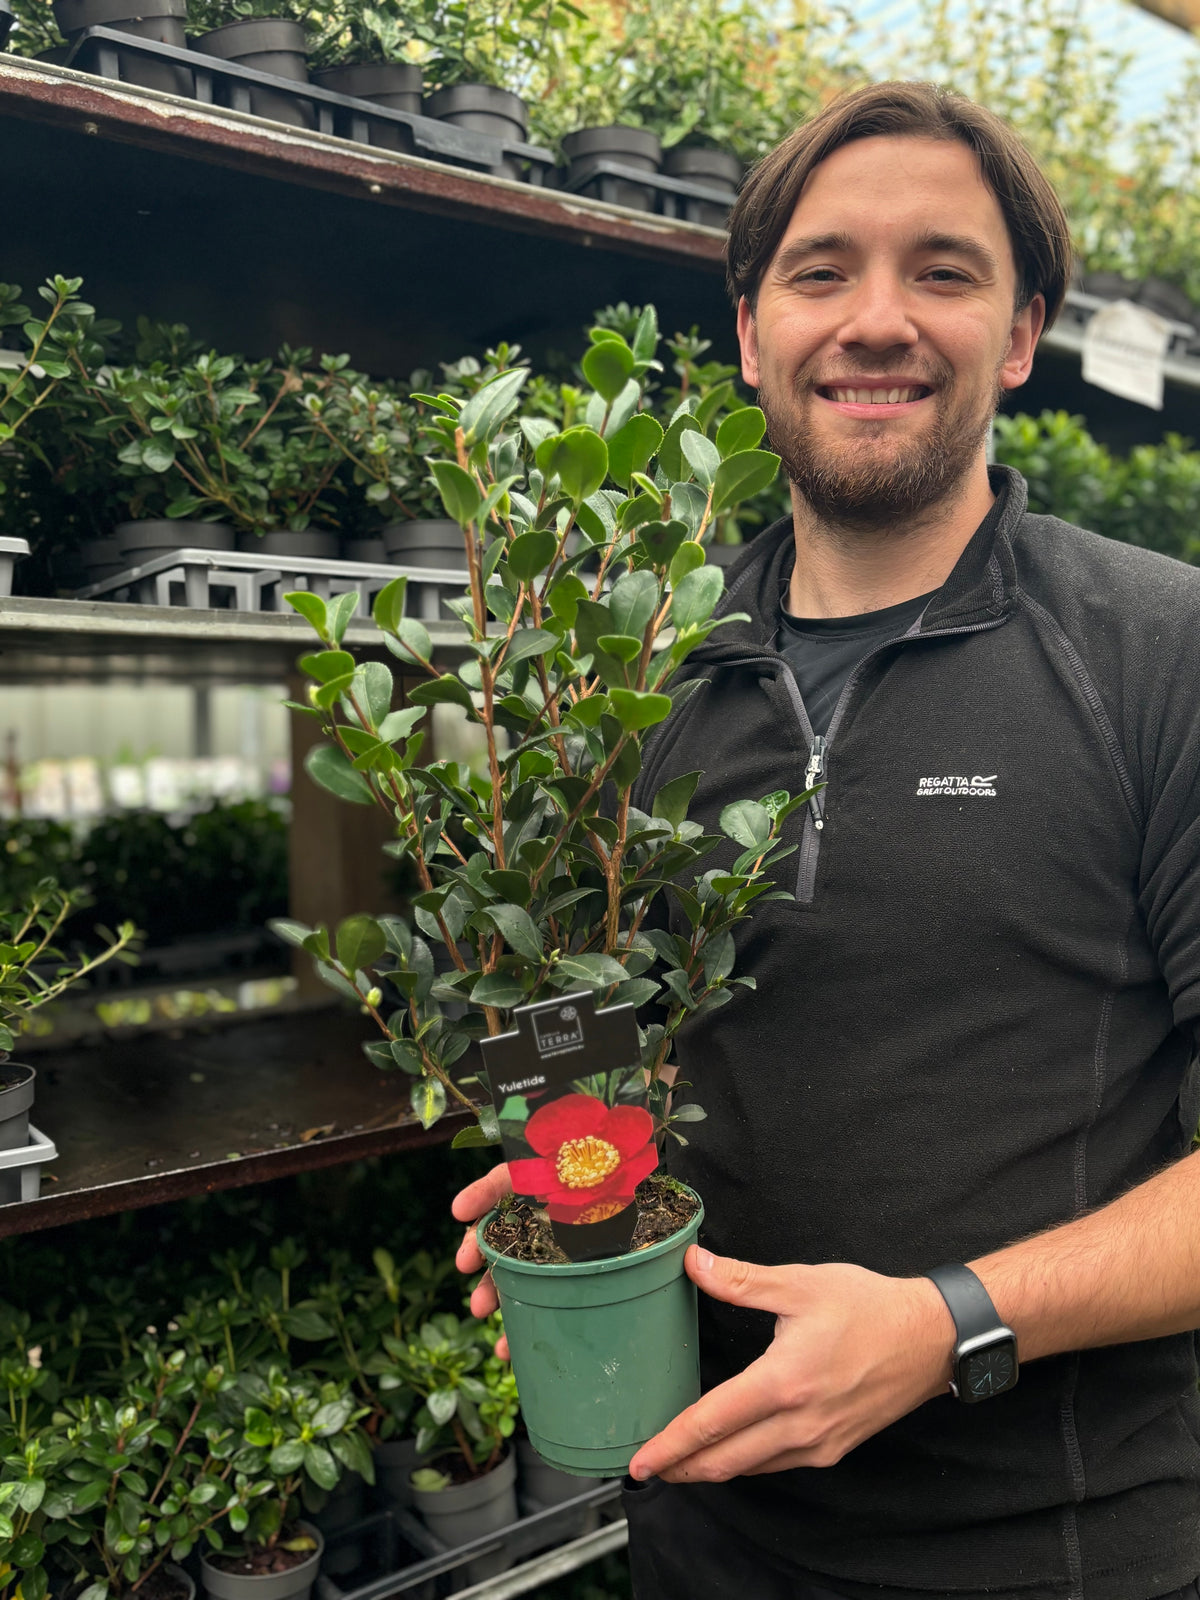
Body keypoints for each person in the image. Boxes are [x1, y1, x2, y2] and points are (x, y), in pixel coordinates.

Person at [452, 80, 1200, 1600]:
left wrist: (954, 1321)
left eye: (943, 270)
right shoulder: (633, 672)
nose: (876, 320)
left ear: (1020, 333)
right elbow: (618, 1040)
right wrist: (564, 1191)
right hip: (699, 1535)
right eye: (820, 270)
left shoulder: (1157, 650)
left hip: (1059, 1555)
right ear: (748, 331)